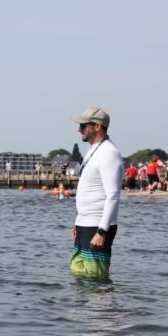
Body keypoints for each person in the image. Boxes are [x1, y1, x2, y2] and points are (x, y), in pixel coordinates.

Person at [69, 107, 122, 280]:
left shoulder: (109, 153)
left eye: (84, 125)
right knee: (79, 274)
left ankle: (102, 307)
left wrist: (101, 231)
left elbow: (112, 195)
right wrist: (78, 222)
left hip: (97, 226)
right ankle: (84, 309)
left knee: (94, 279)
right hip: (86, 223)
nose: (79, 129)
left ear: (98, 126)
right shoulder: (94, 149)